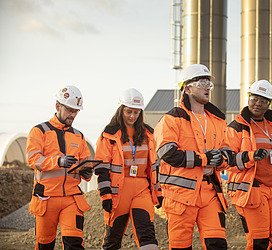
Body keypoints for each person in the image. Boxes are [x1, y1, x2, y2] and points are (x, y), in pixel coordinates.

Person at [154, 64, 230, 250]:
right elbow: (167, 153)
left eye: (209, 84)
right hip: (180, 197)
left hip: (210, 192)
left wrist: (220, 159)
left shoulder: (217, 121)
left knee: (217, 244)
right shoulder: (172, 119)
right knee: (181, 247)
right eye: (202, 82)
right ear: (187, 88)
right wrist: (203, 159)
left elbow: (229, 152)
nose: (207, 87)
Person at [225, 79, 272, 250]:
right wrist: (251, 156)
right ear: (248, 98)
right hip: (252, 190)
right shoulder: (237, 127)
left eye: (263, 100)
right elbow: (227, 160)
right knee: (259, 241)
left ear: (269, 104)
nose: (257, 103)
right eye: (254, 98)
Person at [26, 85, 93, 249]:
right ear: (58, 106)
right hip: (46, 198)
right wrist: (58, 161)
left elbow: (85, 163)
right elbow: (33, 159)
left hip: (71, 198)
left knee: (74, 244)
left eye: (76, 111)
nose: (73, 115)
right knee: (45, 245)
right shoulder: (39, 131)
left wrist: (87, 170)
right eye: (70, 110)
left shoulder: (79, 136)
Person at [94, 88, 160, 250]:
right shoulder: (109, 135)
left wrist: (159, 192)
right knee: (112, 240)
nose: (132, 116)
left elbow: (155, 167)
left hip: (141, 190)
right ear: (120, 110)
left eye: (136, 112)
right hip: (118, 193)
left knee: (147, 234)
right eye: (128, 111)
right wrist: (105, 195)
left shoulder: (149, 134)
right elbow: (102, 167)